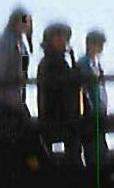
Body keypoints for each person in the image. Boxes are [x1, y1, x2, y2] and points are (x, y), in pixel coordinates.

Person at [0, 7, 36, 167]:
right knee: (11, 136)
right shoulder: (8, 42)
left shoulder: (19, 42)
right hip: (7, 98)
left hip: (14, 96)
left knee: (16, 137)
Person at [36, 22, 82, 165]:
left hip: (68, 118)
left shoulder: (63, 62)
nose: (63, 41)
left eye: (64, 38)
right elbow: (57, 85)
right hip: (54, 116)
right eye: (58, 37)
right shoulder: (47, 63)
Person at [78, 28, 108, 168]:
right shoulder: (84, 64)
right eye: (98, 43)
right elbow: (85, 90)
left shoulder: (95, 64)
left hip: (98, 113)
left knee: (101, 153)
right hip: (90, 116)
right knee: (94, 154)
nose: (101, 47)